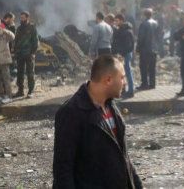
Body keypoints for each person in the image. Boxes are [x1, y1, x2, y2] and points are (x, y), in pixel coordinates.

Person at [53, 55, 142, 188]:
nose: (125, 83)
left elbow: (123, 156)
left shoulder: (110, 105)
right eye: (122, 77)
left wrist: (138, 185)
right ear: (108, 80)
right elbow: (63, 168)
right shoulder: (71, 112)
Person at [14, 11, 39, 98]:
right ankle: (20, 91)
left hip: (29, 54)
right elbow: (16, 41)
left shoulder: (32, 28)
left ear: (27, 18)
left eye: (23, 17)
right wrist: (15, 52)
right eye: (21, 18)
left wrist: (33, 53)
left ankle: (30, 91)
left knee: (30, 73)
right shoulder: (19, 28)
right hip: (20, 54)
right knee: (19, 73)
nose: (21, 19)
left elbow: (36, 42)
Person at [136, 8, 159, 91]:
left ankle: (144, 84)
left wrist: (138, 48)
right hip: (154, 48)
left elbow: (141, 37)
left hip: (145, 49)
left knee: (143, 66)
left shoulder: (144, 24)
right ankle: (152, 84)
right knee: (152, 67)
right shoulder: (156, 23)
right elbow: (159, 36)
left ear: (144, 15)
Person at [113, 13, 135, 97]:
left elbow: (129, 45)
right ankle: (124, 90)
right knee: (123, 73)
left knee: (127, 72)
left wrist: (122, 53)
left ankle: (131, 91)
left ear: (121, 21)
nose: (115, 22)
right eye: (115, 21)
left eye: (117, 21)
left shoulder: (126, 31)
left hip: (125, 54)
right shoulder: (120, 30)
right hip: (122, 54)